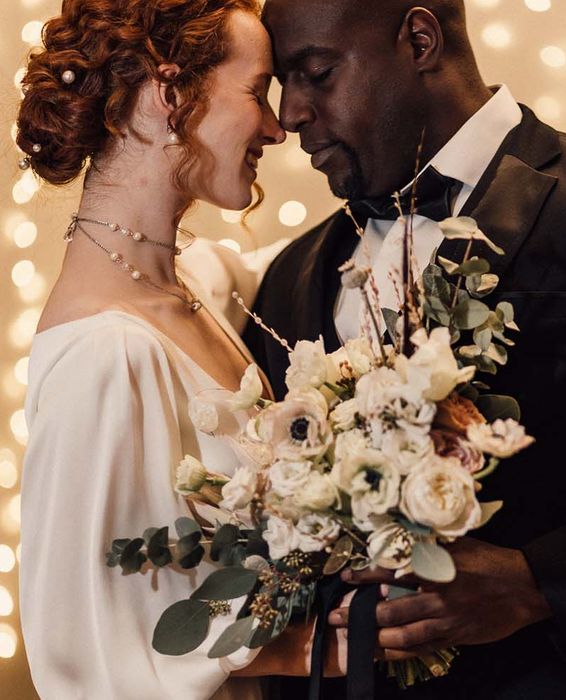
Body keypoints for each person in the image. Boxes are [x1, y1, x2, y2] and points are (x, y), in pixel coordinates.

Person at [245, 0, 566, 698]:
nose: (290, 115)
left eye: (315, 73)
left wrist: (542, 581)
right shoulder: (293, 272)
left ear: (421, 40)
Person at [17, 1, 345, 698]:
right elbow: (92, 658)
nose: (277, 125)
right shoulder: (106, 359)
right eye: (257, 91)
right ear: (168, 94)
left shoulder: (199, 281)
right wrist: (309, 647)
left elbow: (333, 260)